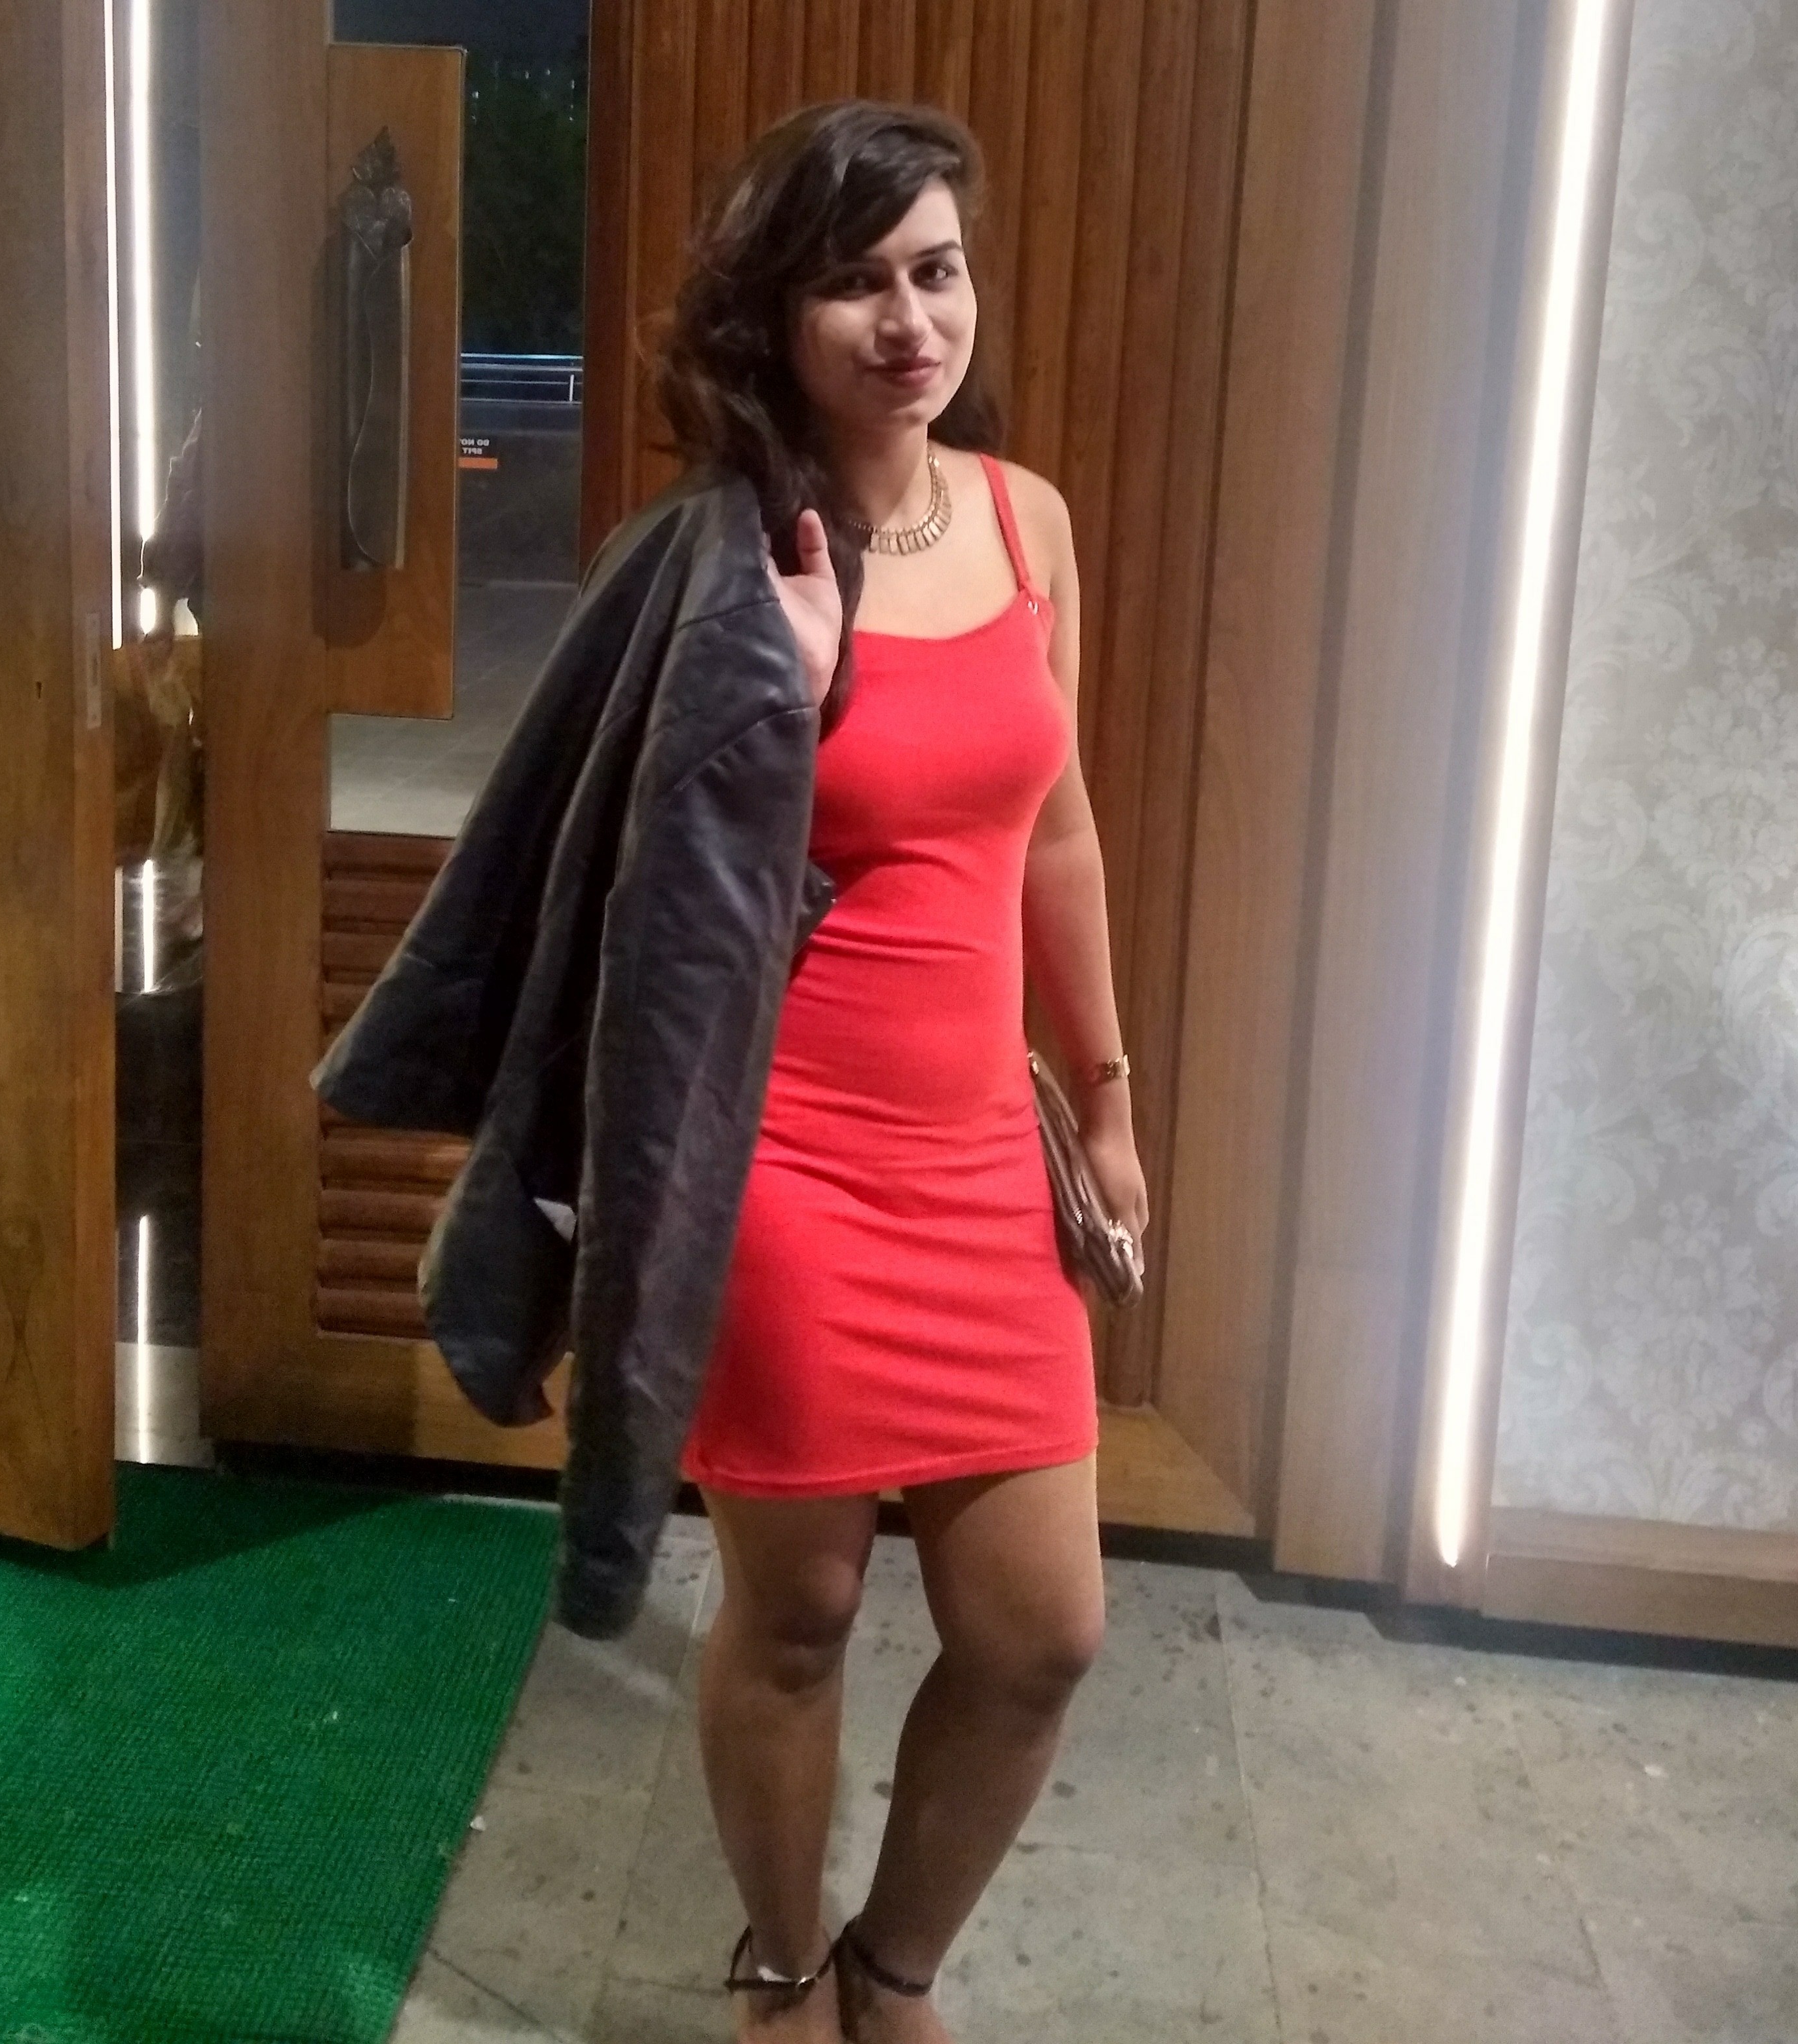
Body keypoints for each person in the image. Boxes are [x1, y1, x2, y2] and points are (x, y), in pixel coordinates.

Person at [655, 101, 1149, 2043]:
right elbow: (645, 884)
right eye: (854, 282)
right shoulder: (714, 554)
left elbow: (1059, 829)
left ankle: (895, 1967)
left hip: (978, 1153)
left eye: (934, 271)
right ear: (773, 318)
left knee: (1043, 1632)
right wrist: (773, 691)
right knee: (797, 1615)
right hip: (779, 1156)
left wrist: (1106, 1093)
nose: (908, 320)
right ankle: (785, 1971)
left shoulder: (1028, 523)